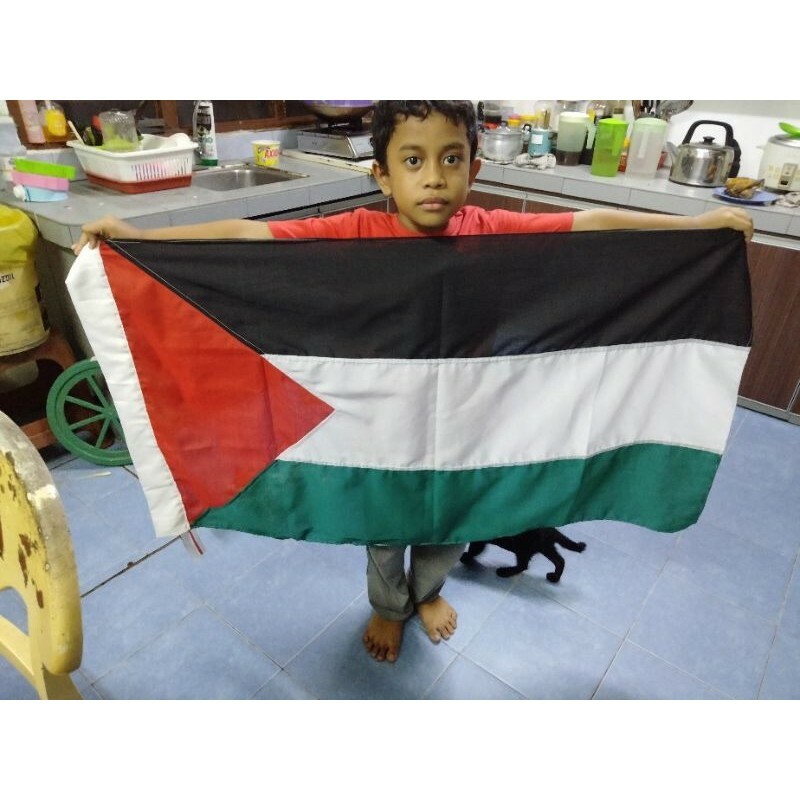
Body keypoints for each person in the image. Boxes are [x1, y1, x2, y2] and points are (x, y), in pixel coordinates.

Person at [73, 100, 754, 663]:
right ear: (382, 175)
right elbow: (255, 239)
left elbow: (592, 228)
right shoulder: (355, 232)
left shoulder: (494, 230)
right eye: (413, 160)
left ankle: (427, 591)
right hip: (383, 420)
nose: (434, 178)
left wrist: (695, 226)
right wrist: (139, 237)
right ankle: (388, 604)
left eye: (451, 160)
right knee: (384, 524)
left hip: (473, 418)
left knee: (455, 518)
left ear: (474, 169)